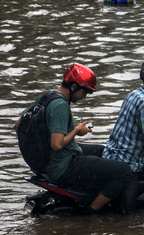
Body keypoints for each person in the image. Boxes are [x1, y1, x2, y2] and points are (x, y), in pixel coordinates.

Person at [14, 63, 136, 214]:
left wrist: (34, 160)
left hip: (50, 160)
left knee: (102, 151)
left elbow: (18, 126)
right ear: (73, 87)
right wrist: (77, 130)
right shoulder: (60, 106)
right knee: (123, 172)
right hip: (62, 165)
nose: (84, 97)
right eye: (84, 92)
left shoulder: (47, 96)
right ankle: (90, 212)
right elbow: (57, 144)